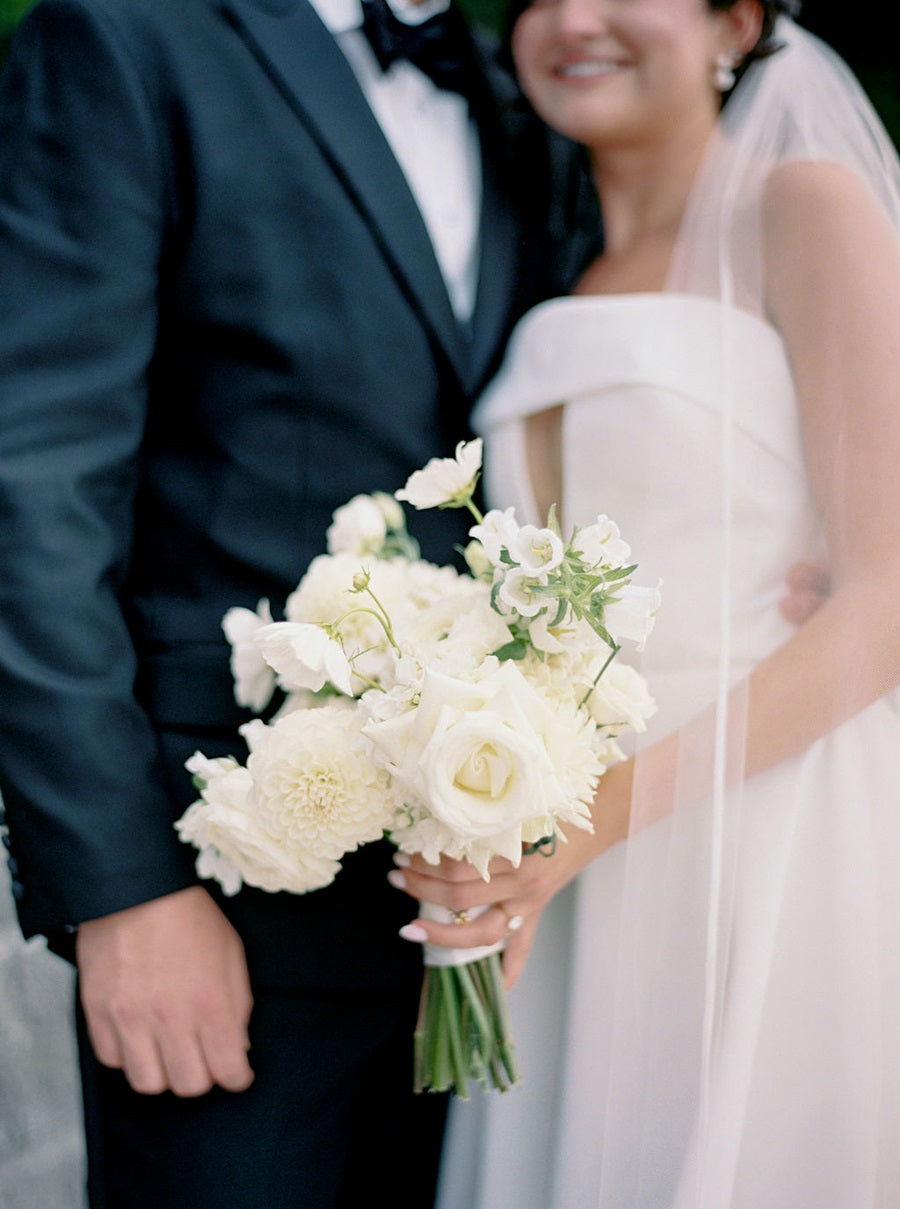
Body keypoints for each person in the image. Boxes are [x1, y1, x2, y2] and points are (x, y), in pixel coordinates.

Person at [0, 0, 588, 1205]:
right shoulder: (120, 36)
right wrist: (123, 892)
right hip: (224, 893)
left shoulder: (523, 88)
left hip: (496, 907)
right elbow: (31, 476)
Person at [390, 2, 900, 1206]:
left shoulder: (806, 203)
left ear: (734, 18)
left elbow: (885, 598)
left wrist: (585, 827)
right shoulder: (554, 263)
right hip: (570, 858)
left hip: (764, 813)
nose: (574, 19)